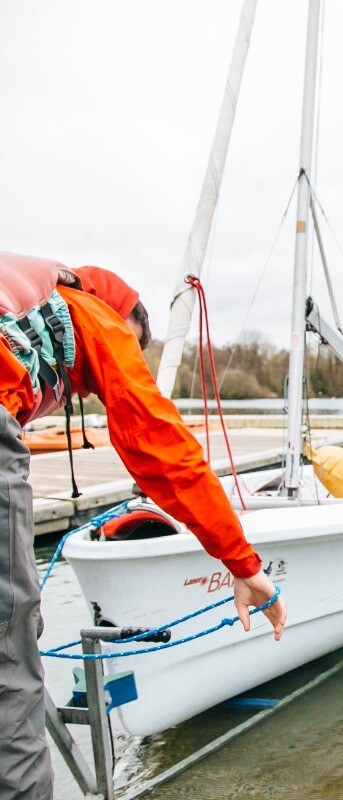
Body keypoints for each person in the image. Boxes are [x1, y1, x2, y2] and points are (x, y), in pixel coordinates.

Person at [0, 251, 287, 800]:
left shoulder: (28, 290)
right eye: (133, 347)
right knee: (9, 658)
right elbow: (163, 452)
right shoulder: (92, 312)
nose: (88, 392)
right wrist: (243, 564)